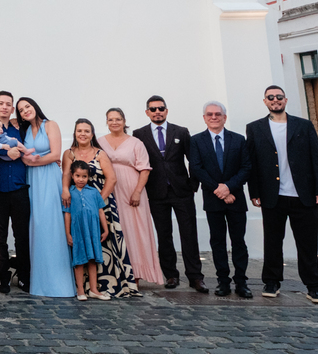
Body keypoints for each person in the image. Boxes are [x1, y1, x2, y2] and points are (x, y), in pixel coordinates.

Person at [246, 85, 318, 304]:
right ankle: (271, 282)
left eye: (279, 97)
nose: (275, 100)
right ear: (265, 101)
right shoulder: (255, 128)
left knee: (308, 243)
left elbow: (317, 159)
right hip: (273, 195)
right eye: (270, 97)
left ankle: (314, 287)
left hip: (304, 195)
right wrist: (254, 191)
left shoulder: (304, 125)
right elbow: (252, 163)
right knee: (272, 241)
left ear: (286, 99)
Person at [134, 95, 206, 292]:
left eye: (161, 108)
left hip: (182, 191)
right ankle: (171, 275)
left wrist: (193, 184)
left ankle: (195, 277)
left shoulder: (181, 132)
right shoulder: (138, 134)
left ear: (166, 110)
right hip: (156, 192)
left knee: (189, 233)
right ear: (147, 112)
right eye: (153, 109)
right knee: (164, 235)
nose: (158, 112)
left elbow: (194, 159)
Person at [61, 119, 138, 298]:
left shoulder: (100, 154)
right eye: (79, 130)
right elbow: (66, 174)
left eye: (86, 131)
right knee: (80, 245)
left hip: (101, 202)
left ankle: (103, 285)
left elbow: (111, 179)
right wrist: (65, 190)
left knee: (105, 244)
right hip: (76, 204)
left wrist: (96, 201)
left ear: (92, 134)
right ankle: (81, 287)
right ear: (75, 133)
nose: (83, 134)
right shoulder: (69, 154)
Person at [188, 101, 252, 298]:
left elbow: (246, 167)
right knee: (218, 242)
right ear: (204, 118)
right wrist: (218, 189)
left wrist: (229, 187)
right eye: (210, 114)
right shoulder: (197, 141)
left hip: (236, 199)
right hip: (213, 199)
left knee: (238, 241)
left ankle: (241, 282)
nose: (214, 117)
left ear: (225, 117)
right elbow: (197, 168)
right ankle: (223, 281)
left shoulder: (239, 139)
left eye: (218, 114)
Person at [17, 97, 75, 297]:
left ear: (35, 106)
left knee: (52, 224)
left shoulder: (51, 125)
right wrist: (27, 161)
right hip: (32, 181)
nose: (25, 111)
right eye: (21, 110)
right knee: (37, 225)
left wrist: (31, 162)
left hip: (49, 178)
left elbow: (55, 155)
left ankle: (58, 280)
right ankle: (39, 280)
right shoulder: (23, 131)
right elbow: (20, 156)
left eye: (27, 106)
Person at [99, 108, 163, 285]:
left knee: (134, 231)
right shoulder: (99, 142)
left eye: (118, 119)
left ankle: (135, 272)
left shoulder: (136, 142)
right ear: (106, 121)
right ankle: (116, 272)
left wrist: (137, 191)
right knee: (115, 229)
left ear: (124, 121)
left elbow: (144, 169)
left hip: (131, 190)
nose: (114, 122)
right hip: (109, 190)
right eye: (110, 119)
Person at [0, 91, 29, 294]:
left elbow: (33, 146)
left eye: (8, 104)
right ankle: (3, 277)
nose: (4, 107)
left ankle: (23, 276)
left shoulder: (20, 128)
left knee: (22, 235)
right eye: (1, 103)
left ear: (12, 109)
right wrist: (5, 151)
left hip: (20, 188)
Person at [64, 160, 110, 302]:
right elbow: (67, 214)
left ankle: (94, 290)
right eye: (78, 176)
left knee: (92, 259)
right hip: (78, 230)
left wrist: (106, 229)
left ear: (88, 177)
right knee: (79, 260)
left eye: (84, 176)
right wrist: (68, 233)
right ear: (72, 176)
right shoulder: (69, 193)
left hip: (93, 230)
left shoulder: (93, 192)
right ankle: (80, 290)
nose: (81, 179)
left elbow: (100, 211)